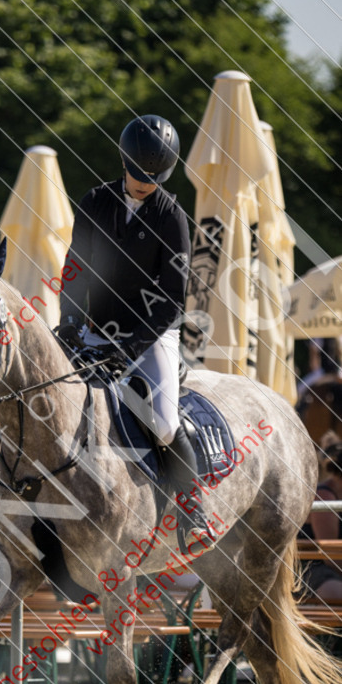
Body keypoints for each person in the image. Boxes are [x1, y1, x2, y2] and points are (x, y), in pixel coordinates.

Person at [56, 113, 214, 548]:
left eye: (154, 178)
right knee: (48, 398)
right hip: (94, 330)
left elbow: (172, 299)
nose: (145, 184)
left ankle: (193, 512)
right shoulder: (95, 202)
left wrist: (130, 348)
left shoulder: (172, 216)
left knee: (162, 422)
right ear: (123, 161)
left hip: (151, 335)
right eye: (138, 175)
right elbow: (75, 269)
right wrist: (69, 320)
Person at [300, 441, 342, 603]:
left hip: (332, 567)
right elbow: (331, 556)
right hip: (310, 568)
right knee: (337, 593)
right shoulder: (324, 496)